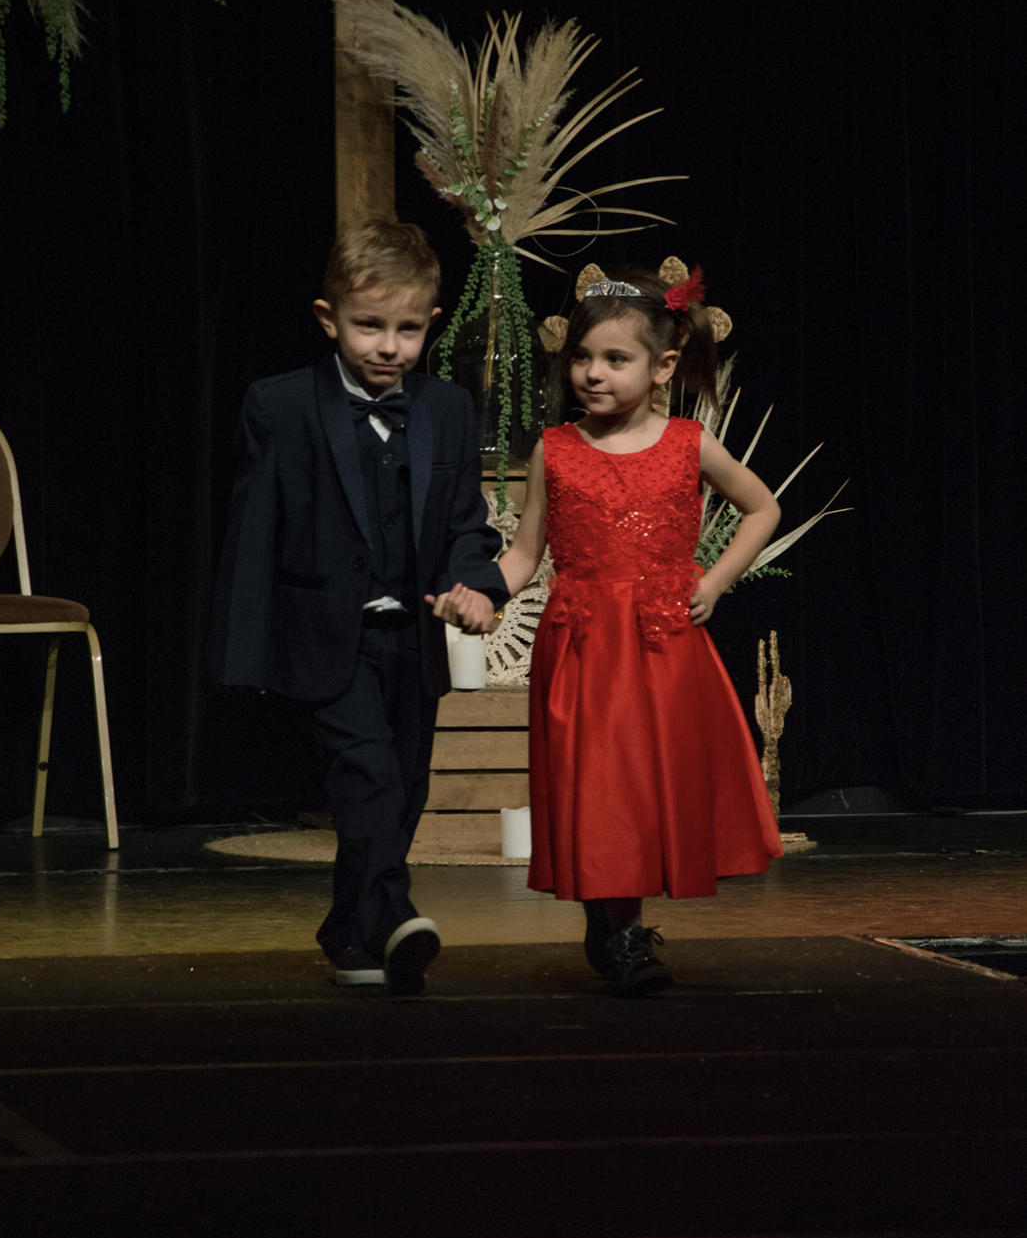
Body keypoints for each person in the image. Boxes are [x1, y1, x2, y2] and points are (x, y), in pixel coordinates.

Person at [436, 267, 783, 996]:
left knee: (650, 787)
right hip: (585, 647)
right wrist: (478, 592)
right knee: (600, 787)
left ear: (661, 366)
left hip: (661, 643)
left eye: (614, 359)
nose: (592, 373)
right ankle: (616, 927)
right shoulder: (555, 450)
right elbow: (526, 554)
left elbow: (762, 508)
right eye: (583, 357)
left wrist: (711, 585)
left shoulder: (688, 444)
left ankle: (619, 921)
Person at [210, 220, 509, 996]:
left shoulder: (443, 409)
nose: (388, 346)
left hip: (409, 639)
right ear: (327, 318)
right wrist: (245, 652)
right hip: (323, 636)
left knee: (400, 790)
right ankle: (399, 913)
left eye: (407, 330)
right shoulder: (279, 406)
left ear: (431, 325)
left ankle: (350, 930)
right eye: (368, 325)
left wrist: (477, 586)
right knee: (367, 773)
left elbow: (460, 526)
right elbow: (253, 535)